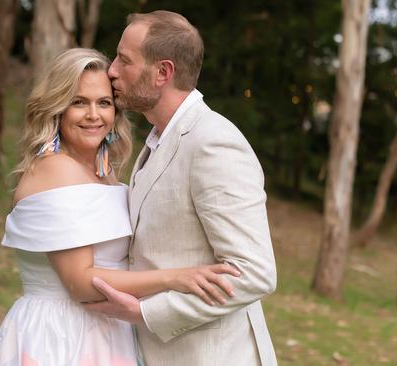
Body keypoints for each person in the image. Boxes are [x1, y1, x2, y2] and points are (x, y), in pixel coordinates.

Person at [0, 48, 241, 366]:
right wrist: (175, 278)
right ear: (57, 108)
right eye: (79, 102)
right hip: (63, 336)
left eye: (104, 103)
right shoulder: (56, 170)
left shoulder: (103, 175)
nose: (94, 115)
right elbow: (81, 284)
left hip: (107, 331)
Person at [83, 11, 278, 366]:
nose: (111, 70)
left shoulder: (213, 143)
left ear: (163, 72)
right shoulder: (159, 137)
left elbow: (254, 272)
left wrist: (146, 313)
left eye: (125, 60)